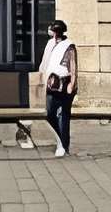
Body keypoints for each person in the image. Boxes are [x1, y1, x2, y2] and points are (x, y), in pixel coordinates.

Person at [39, 18, 78, 156]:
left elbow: (73, 66)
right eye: (55, 31)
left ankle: (63, 145)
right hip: (51, 83)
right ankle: (60, 139)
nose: (56, 34)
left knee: (63, 115)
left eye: (58, 31)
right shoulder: (50, 44)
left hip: (65, 83)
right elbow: (45, 63)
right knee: (50, 114)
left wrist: (72, 84)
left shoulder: (69, 45)